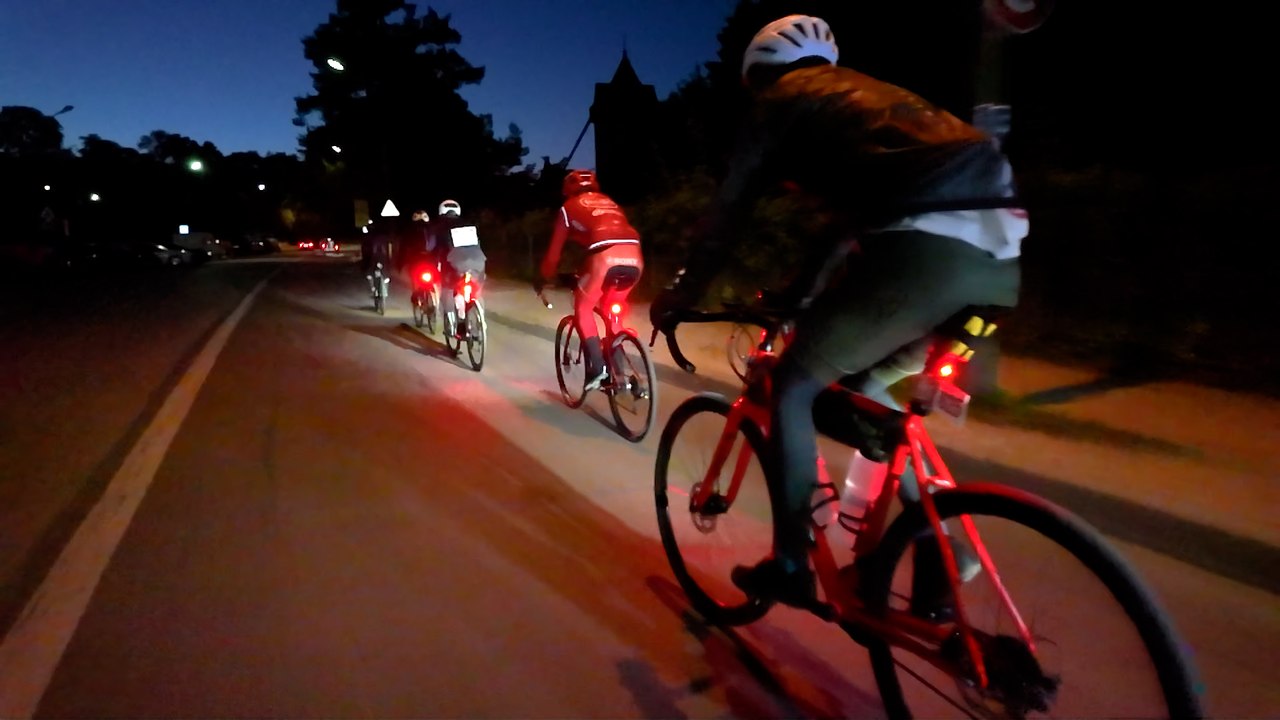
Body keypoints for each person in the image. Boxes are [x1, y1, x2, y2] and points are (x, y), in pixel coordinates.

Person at [649, 15, 1027, 618]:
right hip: (999, 257)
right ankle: (937, 558)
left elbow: (727, 215)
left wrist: (679, 292)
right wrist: (801, 294)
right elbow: (847, 230)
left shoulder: (781, 102)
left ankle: (792, 563)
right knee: (873, 399)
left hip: (927, 249)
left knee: (794, 388)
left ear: (759, 77)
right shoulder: (875, 109)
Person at [536, 169, 644, 391]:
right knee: (613, 314)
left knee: (583, 307)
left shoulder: (568, 209)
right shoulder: (609, 202)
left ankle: (598, 368)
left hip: (604, 258)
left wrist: (545, 277)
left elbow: (554, 253)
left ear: (568, 190)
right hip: (635, 257)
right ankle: (622, 377)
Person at [429, 199, 487, 331]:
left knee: (448, 290)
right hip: (478, 263)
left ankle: (451, 321)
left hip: (454, 266)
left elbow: (434, 249)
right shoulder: (468, 224)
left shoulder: (439, 227)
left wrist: (433, 263)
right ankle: (480, 320)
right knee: (476, 290)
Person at [361, 218, 394, 296]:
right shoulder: (383, 236)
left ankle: (374, 288)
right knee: (385, 271)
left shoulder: (369, 237)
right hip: (382, 257)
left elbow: (365, 250)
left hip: (375, 258)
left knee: (369, 272)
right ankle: (379, 287)